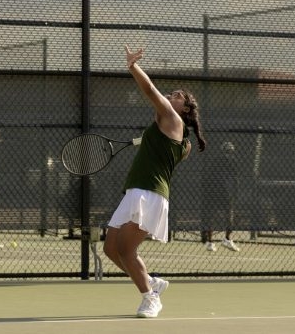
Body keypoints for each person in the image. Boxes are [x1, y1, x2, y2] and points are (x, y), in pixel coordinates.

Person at [103, 45, 206, 318]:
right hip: (136, 190)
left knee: (126, 250)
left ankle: (150, 298)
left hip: (149, 194)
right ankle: (151, 282)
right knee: (110, 248)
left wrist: (132, 66)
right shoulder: (182, 141)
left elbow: (149, 91)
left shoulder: (173, 119)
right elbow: (160, 152)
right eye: (171, 94)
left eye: (176, 96)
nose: (170, 95)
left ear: (183, 109)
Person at [201, 141, 240, 252]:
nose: (228, 154)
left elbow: (234, 178)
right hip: (221, 192)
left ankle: (211, 241)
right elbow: (235, 179)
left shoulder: (216, 161)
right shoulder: (230, 161)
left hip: (216, 192)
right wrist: (234, 192)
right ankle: (225, 239)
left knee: (213, 215)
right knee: (227, 214)